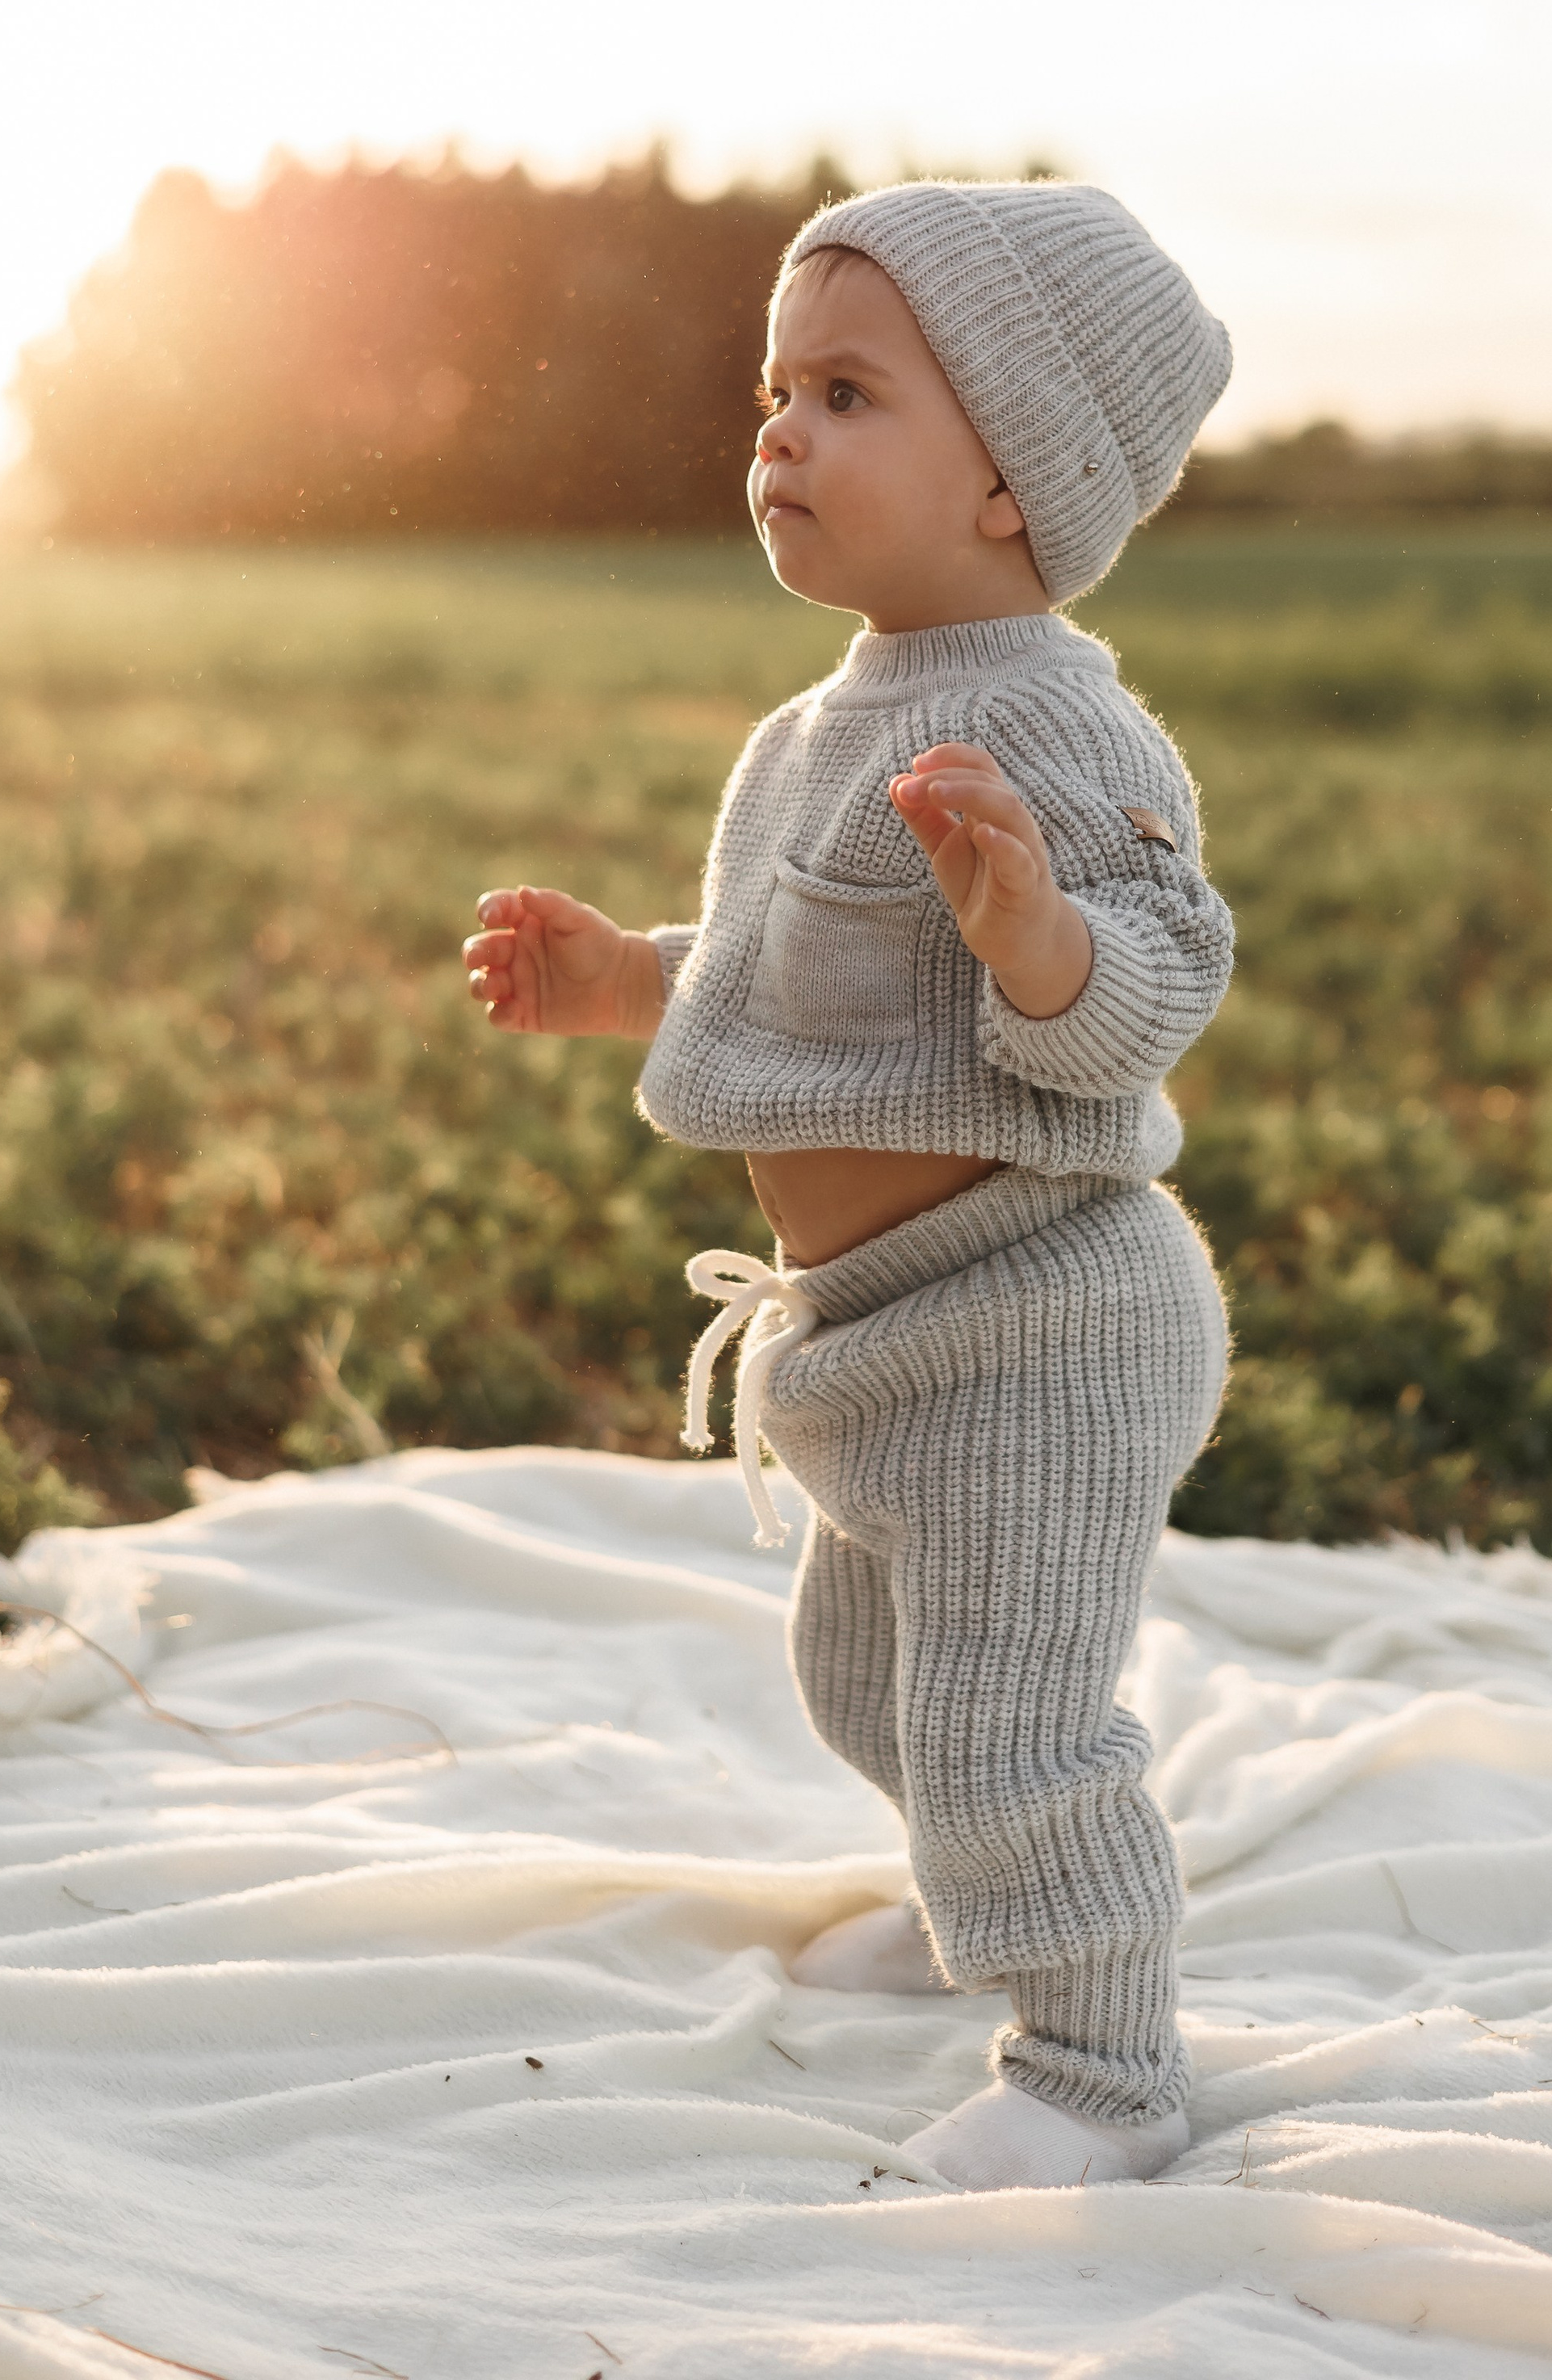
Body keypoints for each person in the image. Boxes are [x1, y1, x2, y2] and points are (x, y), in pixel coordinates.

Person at [462, 182, 1235, 2192]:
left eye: (846, 392)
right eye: (771, 391)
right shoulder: (812, 728)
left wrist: (1037, 934)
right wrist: (615, 981)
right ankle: (985, 1906)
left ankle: (1100, 2068)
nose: (776, 434)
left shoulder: (1057, 721)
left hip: (1041, 1321)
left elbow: (1165, 971)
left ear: (1014, 481)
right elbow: (771, 981)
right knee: (861, 1680)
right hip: (882, 1345)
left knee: (1008, 1720)